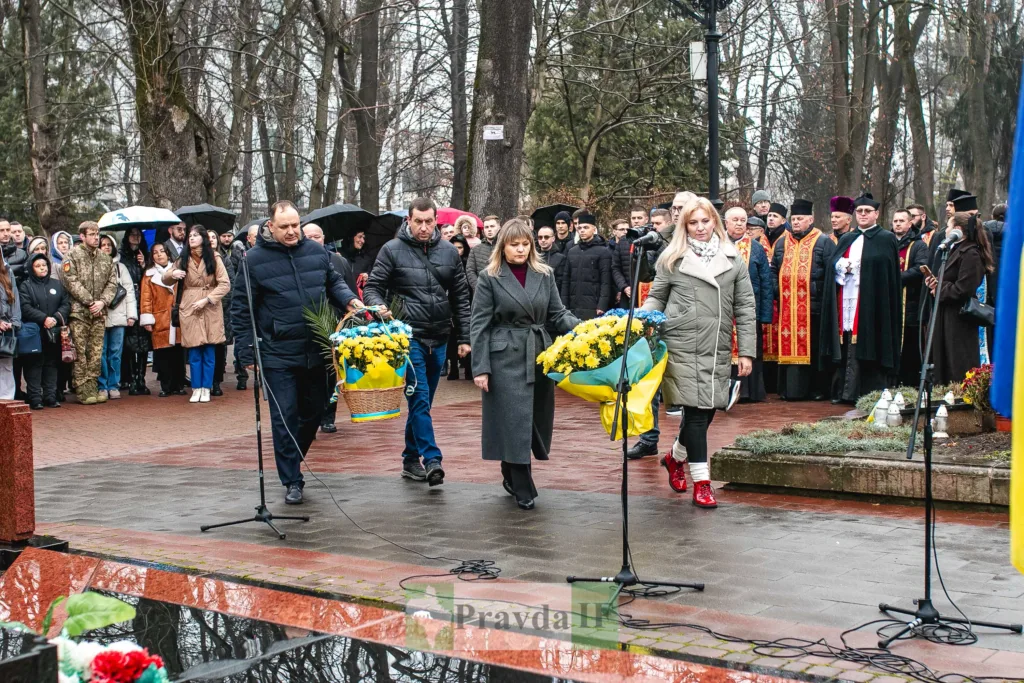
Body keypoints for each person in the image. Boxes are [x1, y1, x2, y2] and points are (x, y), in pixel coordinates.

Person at [232, 201, 363, 505]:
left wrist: (351, 302)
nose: (292, 232)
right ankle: (292, 478)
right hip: (278, 353)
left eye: (295, 225)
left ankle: (294, 457)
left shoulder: (317, 252)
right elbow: (241, 309)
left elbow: (334, 283)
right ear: (271, 227)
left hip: (317, 349)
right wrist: (246, 351)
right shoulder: (253, 260)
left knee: (315, 411)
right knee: (284, 416)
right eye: (285, 227)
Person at [642, 197, 756, 508]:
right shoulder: (672, 258)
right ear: (684, 226)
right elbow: (656, 298)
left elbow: (746, 307)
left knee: (708, 410)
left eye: (705, 221)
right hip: (682, 343)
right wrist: (641, 325)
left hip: (716, 345)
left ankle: (674, 458)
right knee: (694, 413)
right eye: (693, 223)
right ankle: (702, 482)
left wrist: (746, 351)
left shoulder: (733, 259)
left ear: (714, 222)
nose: (700, 227)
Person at [470, 219, 579, 510]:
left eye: (525, 244)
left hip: (538, 353)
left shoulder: (544, 274)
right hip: (504, 355)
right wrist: (480, 367)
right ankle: (523, 484)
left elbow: (558, 313)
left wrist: (584, 330)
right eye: (514, 244)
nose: (520, 249)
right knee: (514, 418)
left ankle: (509, 468)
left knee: (534, 419)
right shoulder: (489, 277)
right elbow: (479, 324)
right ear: (502, 247)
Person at [363, 197, 471, 487]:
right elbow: (372, 288)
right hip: (408, 338)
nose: (424, 227)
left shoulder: (449, 252)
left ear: (436, 221)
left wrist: (464, 337)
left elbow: (461, 297)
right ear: (408, 220)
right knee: (419, 398)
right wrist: (378, 306)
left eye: (429, 221)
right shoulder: (392, 250)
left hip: (440, 336)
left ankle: (410, 460)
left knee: (422, 403)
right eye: (418, 221)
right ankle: (432, 458)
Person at [821, 193, 902, 404]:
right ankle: (844, 391)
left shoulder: (886, 238)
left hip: (872, 303)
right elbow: (833, 264)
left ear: (876, 214)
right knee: (846, 344)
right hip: (847, 298)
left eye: (867, 211)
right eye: (859, 211)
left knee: (867, 344)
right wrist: (841, 266)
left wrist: (860, 268)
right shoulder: (847, 237)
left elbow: (886, 272)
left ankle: (867, 392)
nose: (863, 214)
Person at [771, 199, 835, 401]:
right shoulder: (782, 241)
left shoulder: (823, 241)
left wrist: (816, 290)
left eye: (800, 219)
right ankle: (788, 390)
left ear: (811, 219)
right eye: (794, 218)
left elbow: (830, 272)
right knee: (788, 345)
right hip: (787, 307)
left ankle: (816, 390)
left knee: (814, 349)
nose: (796, 222)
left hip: (813, 308)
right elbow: (773, 269)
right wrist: (777, 289)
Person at [926, 212, 994, 385]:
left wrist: (939, 288)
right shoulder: (953, 250)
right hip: (945, 313)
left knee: (957, 362)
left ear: (957, 229)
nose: (945, 230)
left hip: (959, 318)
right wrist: (934, 283)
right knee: (942, 359)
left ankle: (959, 401)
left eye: (948, 226)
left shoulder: (971, 254)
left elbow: (963, 289)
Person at [166, 225, 230, 404]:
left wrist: (208, 299)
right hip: (190, 305)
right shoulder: (183, 258)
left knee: (209, 350)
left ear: (203, 238)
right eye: (190, 235)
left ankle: (206, 387)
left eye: (196, 235)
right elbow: (165, 278)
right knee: (194, 351)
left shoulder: (215, 257)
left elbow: (225, 284)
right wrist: (173, 273)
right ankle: (196, 387)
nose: (192, 238)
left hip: (210, 306)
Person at [303, 222, 357, 431]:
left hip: (333, 324)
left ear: (324, 239)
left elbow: (347, 291)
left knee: (329, 373)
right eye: (308, 237)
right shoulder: (297, 261)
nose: (313, 241)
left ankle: (328, 416)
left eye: (317, 237)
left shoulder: (338, 261)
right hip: (307, 324)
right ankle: (310, 417)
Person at [63, 221, 118, 405]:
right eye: (92, 234)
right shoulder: (72, 256)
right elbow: (71, 281)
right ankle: (82, 389)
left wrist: (102, 302)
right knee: (80, 351)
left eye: (97, 234)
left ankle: (93, 387)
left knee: (95, 352)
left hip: (99, 313)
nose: (96, 237)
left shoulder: (105, 258)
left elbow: (112, 283)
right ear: (82, 236)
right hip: (79, 312)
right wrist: (90, 301)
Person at [725, 207, 773, 403]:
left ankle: (749, 392)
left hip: (749, 308)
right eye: (735, 220)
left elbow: (766, 282)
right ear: (726, 223)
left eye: (742, 220)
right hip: (725, 309)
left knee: (751, 347)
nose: (739, 223)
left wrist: (765, 314)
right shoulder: (717, 245)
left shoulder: (756, 247)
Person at [18, 254, 70, 409]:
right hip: (35, 332)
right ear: (31, 268)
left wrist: (55, 318)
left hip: (53, 332)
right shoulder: (26, 286)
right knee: (34, 365)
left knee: (52, 364)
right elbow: (25, 307)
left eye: (44, 265)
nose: (42, 268)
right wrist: (43, 319)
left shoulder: (57, 284)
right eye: (38, 265)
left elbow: (65, 304)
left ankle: (50, 397)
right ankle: (35, 398)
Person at [140, 243, 185, 397]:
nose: (159, 255)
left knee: (178, 353)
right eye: (155, 252)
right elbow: (146, 298)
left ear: (168, 253)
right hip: (160, 317)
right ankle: (166, 386)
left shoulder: (178, 271)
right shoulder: (148, 275)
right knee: (163, 354)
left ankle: (179, 385)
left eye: (162, 252)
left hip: (178, 316)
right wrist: (147, 318)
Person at [97, 235, 138, 401]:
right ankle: (102, 385)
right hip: (100, 316)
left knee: (115, 353)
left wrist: (131, 315)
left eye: (109, 245)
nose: (106, 247)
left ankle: (114, 384)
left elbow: (129, 293)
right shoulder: (94, 268)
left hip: (119, 316)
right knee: (101, 352)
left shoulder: (121, 268)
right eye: (103, 245)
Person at [894, 208, 929, 386]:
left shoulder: (918, 245)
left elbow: (920, 268)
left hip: (911, 304)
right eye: (895, 221)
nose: (898, 224)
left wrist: (895, 279)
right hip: (891, 303)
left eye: (902, 221)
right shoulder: (888, 242)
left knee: (909, 347)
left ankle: (910, 384)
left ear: (910, 223)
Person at [560, 212, 613, 320]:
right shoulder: (572, 251)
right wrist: (564, 305)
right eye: (579, 228)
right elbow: (566, 280)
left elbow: (606, 281)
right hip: (573, 306)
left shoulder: (603, 252)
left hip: (593, 305)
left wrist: (602, 305)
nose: (582, 230)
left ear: (594, 229)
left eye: (586, 227)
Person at [119, 227, 151, 395]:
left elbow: (151, 277)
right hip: (128, 302)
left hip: (144, 301)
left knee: (144, 342)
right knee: (130, 343)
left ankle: (142, 377)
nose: (135, 237)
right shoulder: (121, 257)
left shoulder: (145, 255)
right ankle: (130, 378)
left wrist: (144, 264)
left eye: (138, 235)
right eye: (132, 234)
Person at [447, 233, 473, 381]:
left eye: (460, 247)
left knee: (467, 334)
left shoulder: (467, 263)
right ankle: (454, 368)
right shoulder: (446, 263)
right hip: (450, 304)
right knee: (451, 338)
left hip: (466, 303)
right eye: (454, 247)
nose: (457, 250)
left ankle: (468, 367)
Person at [0, 255, 21, 399]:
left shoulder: (7, 271)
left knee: (7, 365)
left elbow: (15, 298)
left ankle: (7, 400)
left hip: (7, 327)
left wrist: (14, 322)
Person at [466, 215, 501, 291]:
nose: (489, 229)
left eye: (492, 226)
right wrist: (478, 288)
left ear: (499, 227)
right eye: (486, 227)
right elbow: (470, 271)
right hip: (481, 290)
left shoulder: (505, 247)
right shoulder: (475, 250)